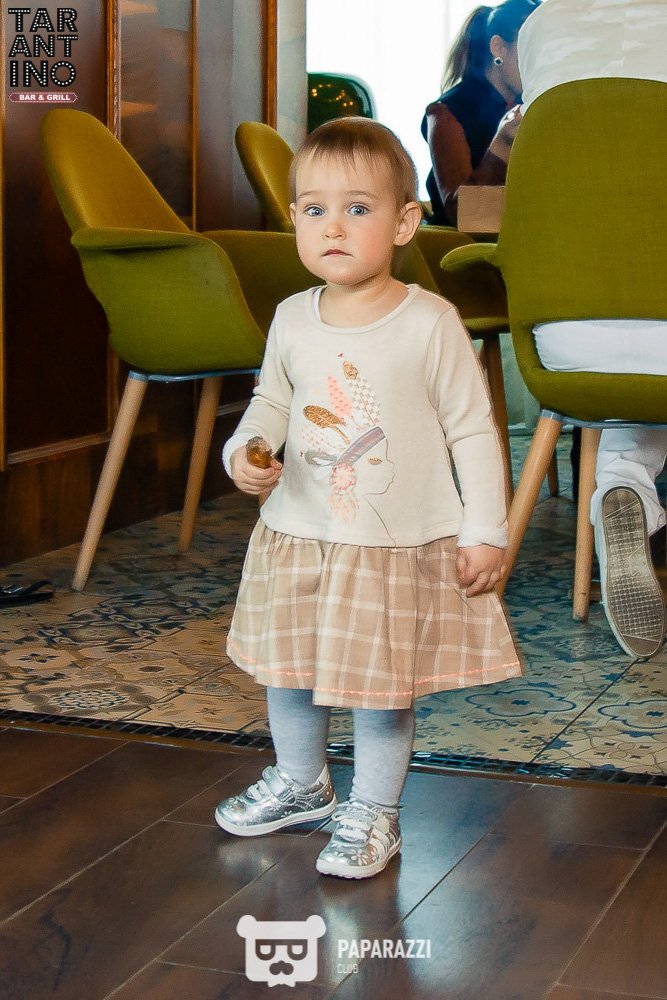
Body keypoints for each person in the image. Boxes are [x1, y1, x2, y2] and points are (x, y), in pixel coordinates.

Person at [214, 118, 522, 880]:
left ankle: (374, 809)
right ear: (294, 220)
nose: (333, 227)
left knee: (380, 689)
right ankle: (301, 782)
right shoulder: (291, 317)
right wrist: (246, 451)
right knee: (289, 669)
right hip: (300, 530)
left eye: (357, 208)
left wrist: (484, 529)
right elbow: (270, 403)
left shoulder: (428, 322)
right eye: (314, 209)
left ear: (404, 222)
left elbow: (472, 429)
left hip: (390, 544)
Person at [517, 0, 667, 659]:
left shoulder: (541, 25)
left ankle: (623, 481)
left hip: (561, 338)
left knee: (628, 361)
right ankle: (626, 482)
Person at [421, 0, 540, 227]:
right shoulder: (446, 112)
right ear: (498, 48)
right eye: (530, 51)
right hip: (463, 245)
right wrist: (503, 143)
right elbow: (462, 214)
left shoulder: (532, 106)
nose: (539, 64)